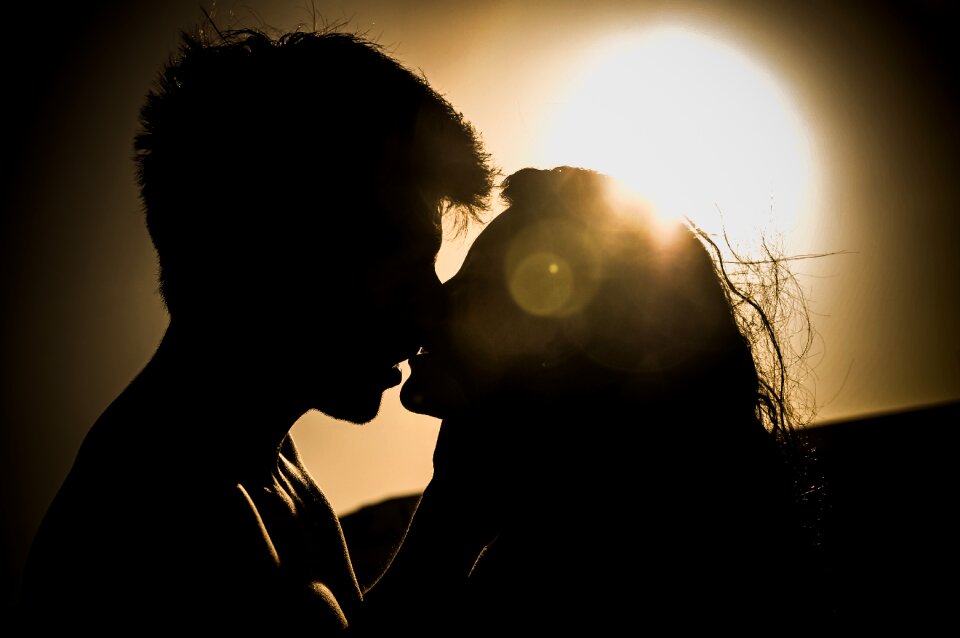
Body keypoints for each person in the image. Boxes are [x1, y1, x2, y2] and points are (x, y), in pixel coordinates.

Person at [20, 24, 495, 631]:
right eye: (404, 275)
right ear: (279, 257)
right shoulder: (169, 518)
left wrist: (461, 493)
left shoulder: (264, 459)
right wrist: (458, 512)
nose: (431, 312)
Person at [395, 166, 828, 632]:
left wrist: (443, 533)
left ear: (562, 336)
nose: (437, 301)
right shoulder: (619, 521)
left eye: (474, 282)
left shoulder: (572, 571)